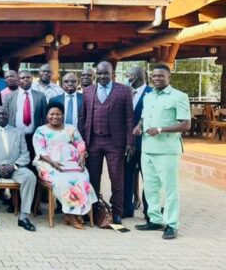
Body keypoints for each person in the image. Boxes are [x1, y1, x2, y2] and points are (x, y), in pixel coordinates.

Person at [134, 64, 190, 240]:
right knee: (150, 187)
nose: (157, 78)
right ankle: (155, 219)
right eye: (154, 76)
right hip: (147, 148)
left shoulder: (179, 96)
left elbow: (185, 124)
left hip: (167, 151)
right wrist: (139, 126)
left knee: (170, 189)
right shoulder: (149, 96)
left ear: (169, 77)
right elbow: (144, 117)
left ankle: (172, 224)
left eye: (161, 76)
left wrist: (160, 129)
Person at [78, 61, 133, 225]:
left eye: (106, 73)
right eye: (100, 73)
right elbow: (83, 118)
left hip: (115, 142)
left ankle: (117, 213)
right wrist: (81, 142)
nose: (102, 76)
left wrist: (130, 142)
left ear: (112, 74)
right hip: (93, 141)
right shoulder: (88, 91)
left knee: (117, 178)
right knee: (93, 178)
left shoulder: (124, 91)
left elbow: (130, 118)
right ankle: (94, 212)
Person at [33, 101, 98, 229]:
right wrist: (53, 163)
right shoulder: (41, 130)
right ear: (47, 115)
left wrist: (81, 157)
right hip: (48, 164)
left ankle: (77, 211)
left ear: (63, 115)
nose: (55, 117)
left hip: (71, 163)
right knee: (63, 180)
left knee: (82, 178)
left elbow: (80, 144)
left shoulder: (71, 128)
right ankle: (69, 213)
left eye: (58, 114)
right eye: (52, 114)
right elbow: (40, 150)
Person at [124, 66, 153, 219]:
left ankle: (149, 211)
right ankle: (126, 208)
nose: (125, 77)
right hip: (126, 144)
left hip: (145, 144)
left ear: (134, 77)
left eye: (127, 75)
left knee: (147, 177)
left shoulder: (152, 93)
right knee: (126, 176)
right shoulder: (125, 92)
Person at [4, 70, 47, 161]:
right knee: (16, 160)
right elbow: (5, 117)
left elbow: (44, 118)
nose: (25, 80)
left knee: (34, 161)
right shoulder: (9, 97)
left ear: (32, 79)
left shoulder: (41, 96)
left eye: (28, 77)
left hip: (34, 136)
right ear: (18, 80)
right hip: (15, 136)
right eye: (22, 78)